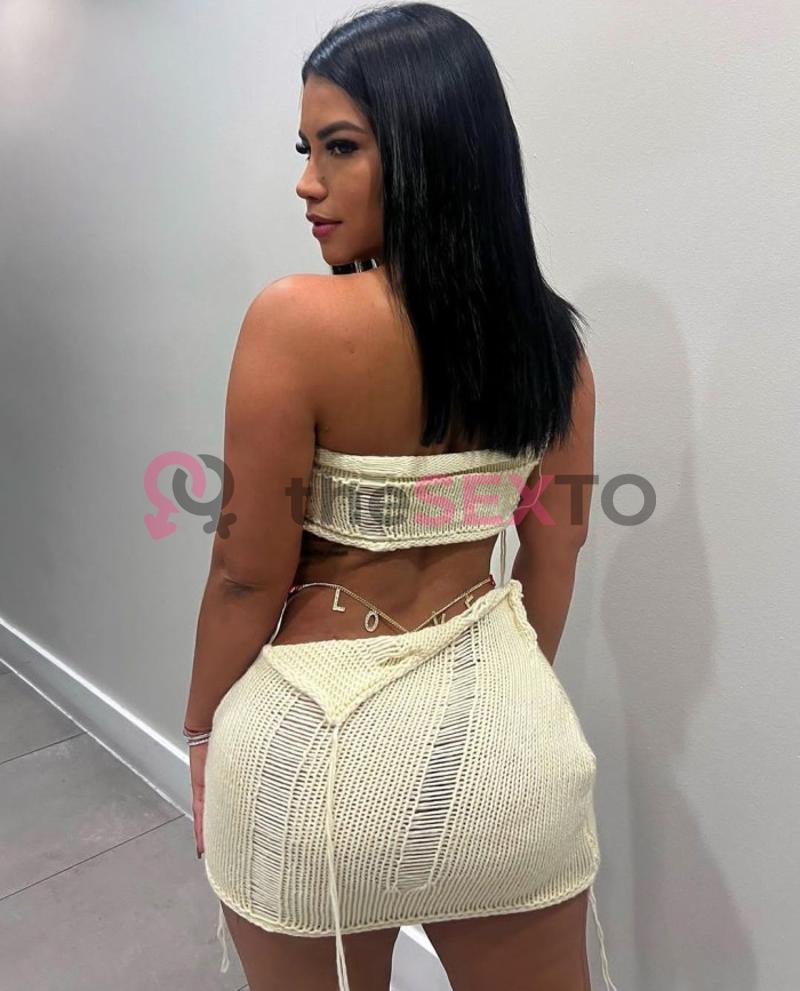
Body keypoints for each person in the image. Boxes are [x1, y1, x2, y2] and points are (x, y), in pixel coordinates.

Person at [182, 4, 618, 989]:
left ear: (433, 152)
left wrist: (201, 728)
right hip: (504, 760)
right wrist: (492, 718)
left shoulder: (293, 321)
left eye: (339, 147)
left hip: (309, 763)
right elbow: (554, 556)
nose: (307, 182)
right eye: (306, 149)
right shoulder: (557, 351)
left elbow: (246, 575)